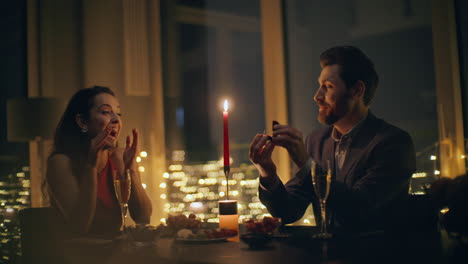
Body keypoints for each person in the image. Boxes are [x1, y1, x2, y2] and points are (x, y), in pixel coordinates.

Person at [249, 46, 416, 233]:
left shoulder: (393, 143)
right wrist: (267, 173)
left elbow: (359, 207)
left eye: (328, 87)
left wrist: (304, 163)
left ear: (357, 90)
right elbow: (288, 211)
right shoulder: (317, 140)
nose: (317, 96)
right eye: (319, 86)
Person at [45, 86, 152, 237]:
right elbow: (80, 227)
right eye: (106, 112)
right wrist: (91, 165)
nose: (116, 119)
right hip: (76, 255)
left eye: (118, 113)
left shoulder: (118, 158)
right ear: (82, 121)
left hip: (114, 251)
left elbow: (143, 218)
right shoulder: (60, 162)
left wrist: (131, 169)